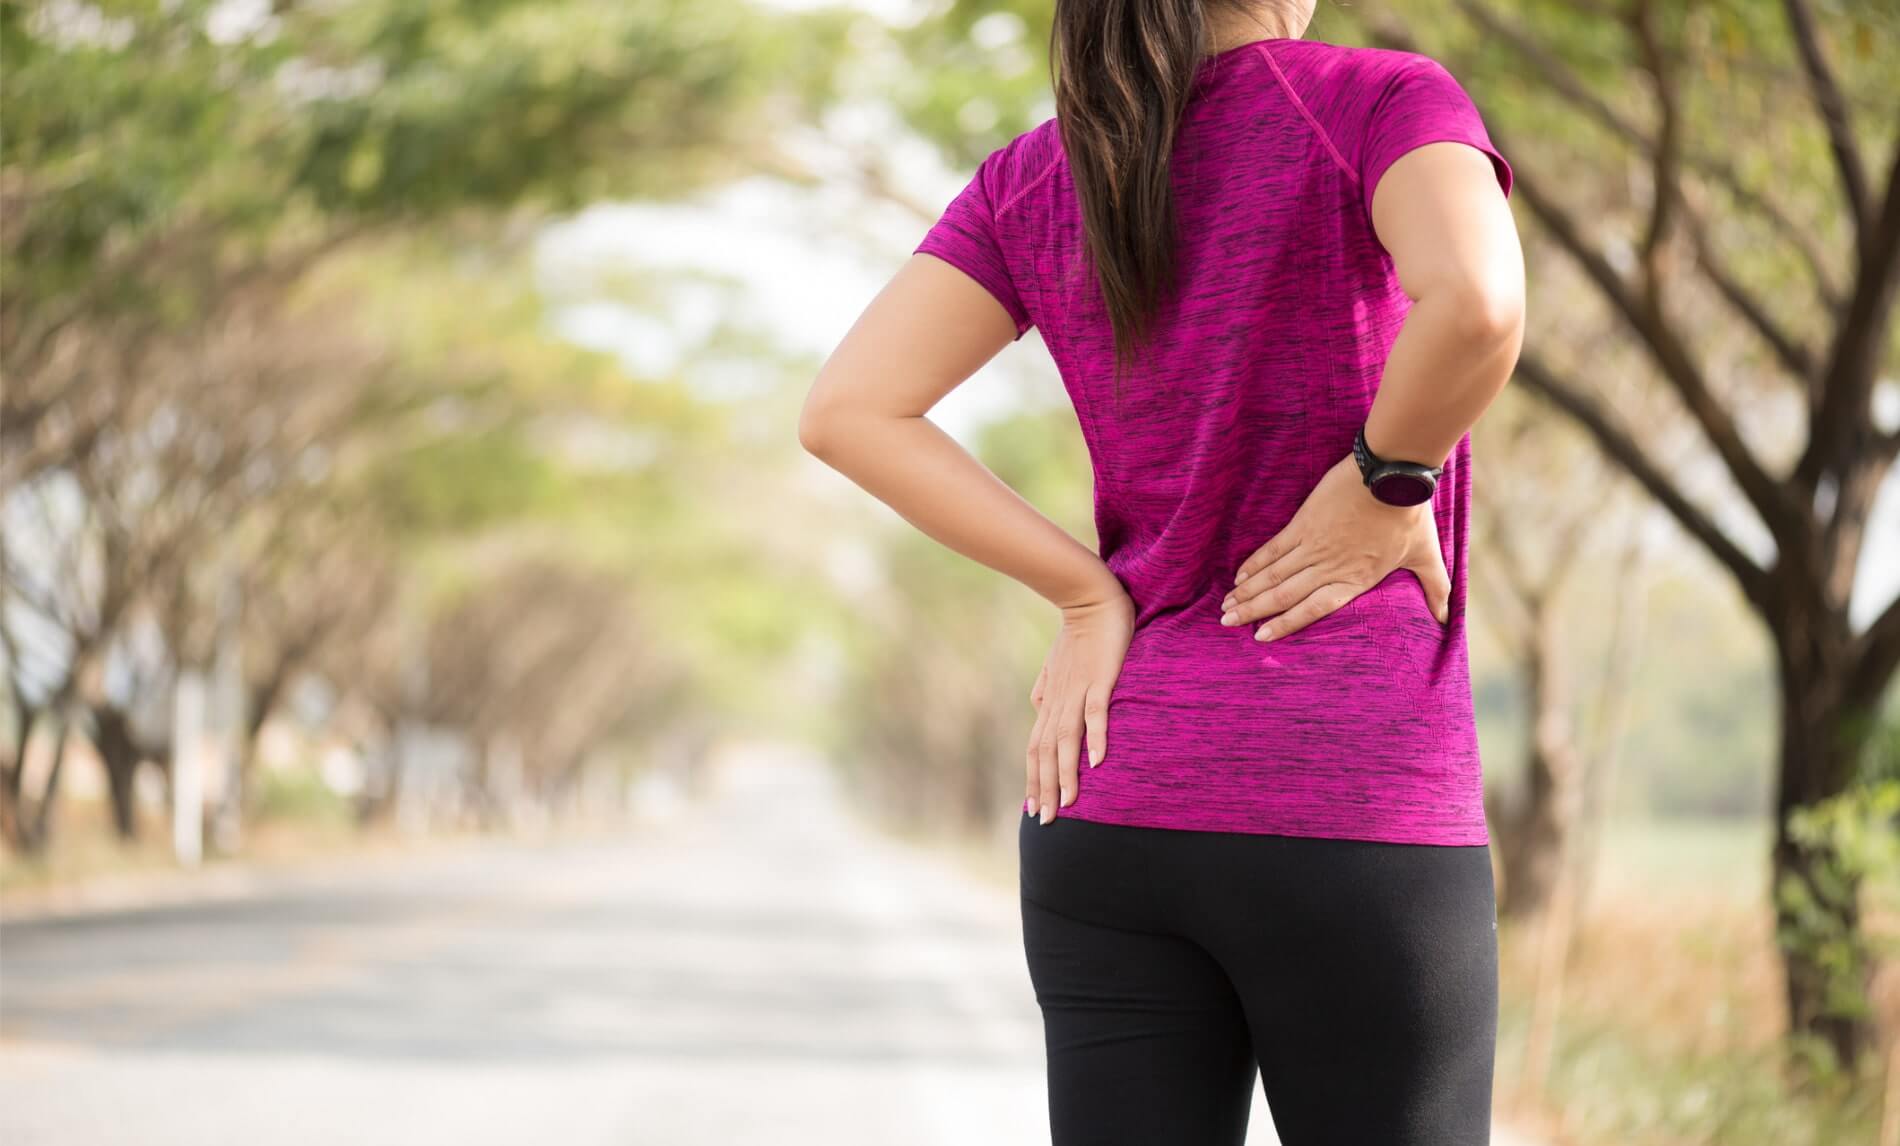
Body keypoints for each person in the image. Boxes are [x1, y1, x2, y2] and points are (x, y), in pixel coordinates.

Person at [799, 0, 1526, 1141]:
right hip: (1347, 790)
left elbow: (848, 411)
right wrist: (1386, 477)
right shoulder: (1378, 99)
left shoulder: (1041, 173)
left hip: (1109, 793)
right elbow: (1478, 304)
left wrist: (1087, 593)